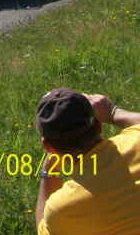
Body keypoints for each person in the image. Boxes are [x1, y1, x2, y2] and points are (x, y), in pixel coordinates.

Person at [35, 88, 140, 234]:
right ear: (98, 125)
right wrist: (112, 112)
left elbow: (43, 225)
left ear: (48, 146)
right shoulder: (136, 141)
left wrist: (49, 171)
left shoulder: (62, 208)